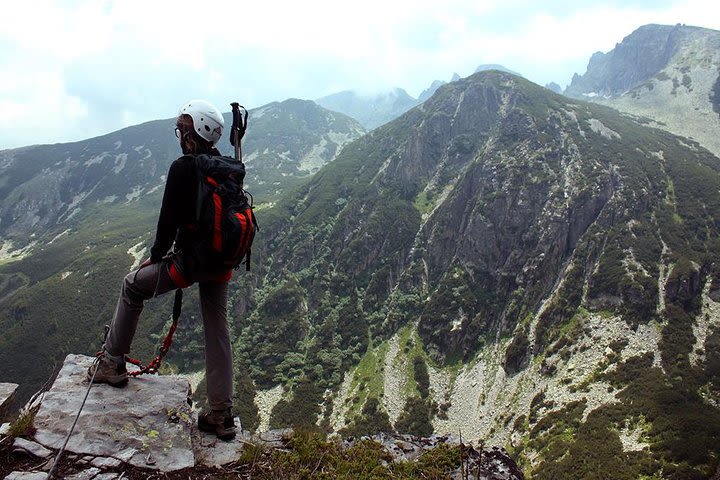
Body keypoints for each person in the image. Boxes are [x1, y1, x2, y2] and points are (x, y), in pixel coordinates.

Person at [88, 99, 237, 441]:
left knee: (132, 286)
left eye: (182, 128)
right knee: (217, 326)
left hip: (190, 263)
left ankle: (111, 363)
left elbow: (167, 222)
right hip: (221, 262)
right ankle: (221, 414)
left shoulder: (183, 168)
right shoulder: (227, 167)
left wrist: (155, 257)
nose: (179, 134)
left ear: (191, 132)